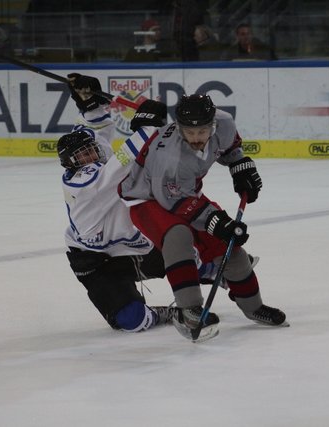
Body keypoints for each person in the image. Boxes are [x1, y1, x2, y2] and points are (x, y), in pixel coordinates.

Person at [119, 94, 286, 341]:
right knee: (178, 235)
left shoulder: (224, 122)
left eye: (202, 131)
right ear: (178, 127)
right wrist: (215, 221)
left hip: (184, 192)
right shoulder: (170, 157)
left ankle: (254, 307)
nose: (196, 138)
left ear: (213, 124)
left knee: (230, 246)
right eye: (189, 132)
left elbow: (230, 147)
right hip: (146, 198)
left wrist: (240, 167)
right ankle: (190, 309)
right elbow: (173, 202)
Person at [60, 73, 175, 332]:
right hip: (92, 261)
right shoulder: (84, 182)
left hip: (123, 245)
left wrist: (90, 104)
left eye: (90, 151)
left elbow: (94, 132)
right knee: (131, 321)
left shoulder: (91, 158)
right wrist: (147, 128)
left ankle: (219, 270)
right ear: (70, 164)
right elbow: (119, 166)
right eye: (82, 155)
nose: (90, 155)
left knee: (178, 250)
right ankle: (160, 314)